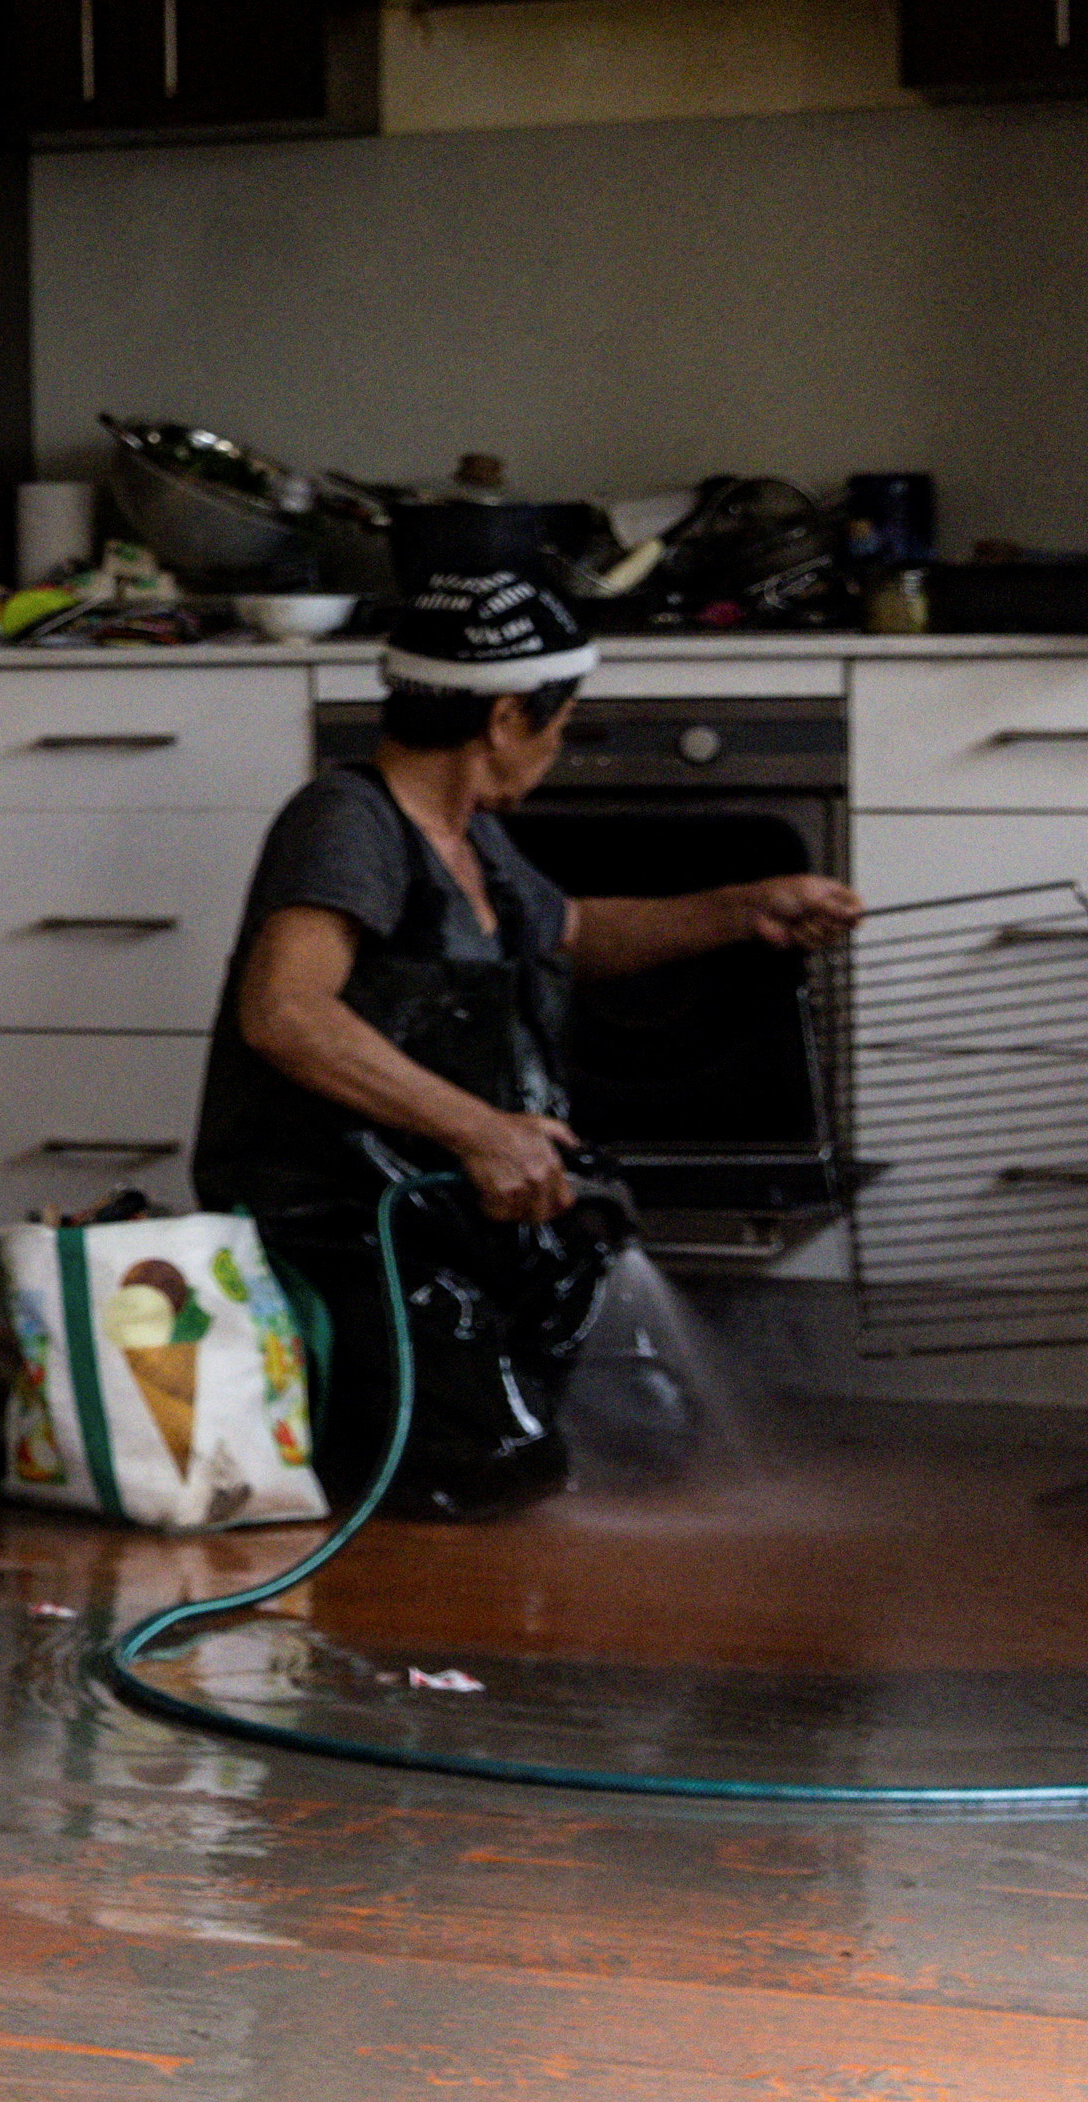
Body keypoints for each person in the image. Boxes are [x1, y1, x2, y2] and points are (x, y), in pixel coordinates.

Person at [194, 572, 858, 1519]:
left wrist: (744, 908)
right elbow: (286, 1013)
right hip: (349, 1232)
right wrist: (481, 1132)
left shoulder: (472, 841)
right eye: (560, 726)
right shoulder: (348, 823)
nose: (556, 748)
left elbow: (573, 933)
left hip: (450, 1218)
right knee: (482, 1472)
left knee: (645, 1438)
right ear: (507, 717)